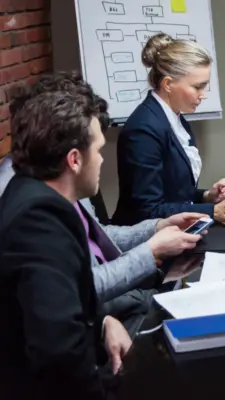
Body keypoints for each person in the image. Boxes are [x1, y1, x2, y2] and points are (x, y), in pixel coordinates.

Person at [6, 72, 206, 326]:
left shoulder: (55, 178)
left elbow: (98, 236)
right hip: (107, 311)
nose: (101, 159)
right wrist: (151, 252)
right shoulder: (34, 207)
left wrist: (157, 228)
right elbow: (76, 290)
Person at [0, 90, 130, 398]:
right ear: (74, 159)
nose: (101, 159)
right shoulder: (40, 220)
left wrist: (102, 323)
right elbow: (58, 350)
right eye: (98, 150)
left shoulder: (26, 189)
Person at [112, 33, 225, 226]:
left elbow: (174, 194)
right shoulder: (143, 129)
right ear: (168, 84)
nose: (203, 95)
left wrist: (207, 196)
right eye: (197, 87)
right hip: (145, 237)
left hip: (173, 232)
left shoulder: (175, 117)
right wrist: (212, 212)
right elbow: (146, 210)